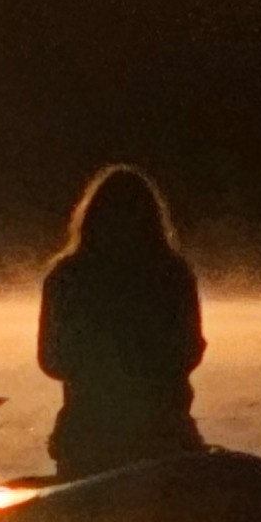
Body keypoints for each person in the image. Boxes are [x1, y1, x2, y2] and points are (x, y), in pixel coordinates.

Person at [38, 165, 205, 478]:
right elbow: (189, 351)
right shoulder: (172, 273)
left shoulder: (66, 276)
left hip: (89, 434)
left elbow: (51, 360)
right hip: (164, 432)